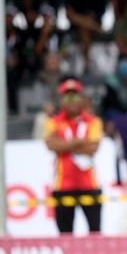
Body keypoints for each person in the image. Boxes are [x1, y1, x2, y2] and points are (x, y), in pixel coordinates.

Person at [43, 79, 104, 235]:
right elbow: (51, 145)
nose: (71, 102)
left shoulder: (93, 121)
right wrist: (79, 142)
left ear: (82, 99)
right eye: (67, 98)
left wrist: (64, 144)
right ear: (61, 101)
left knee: (95, 234)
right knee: (65, 236)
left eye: (75, 97)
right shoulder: (53, 122)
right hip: (63, 185)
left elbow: (92, 149)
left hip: (89, 185)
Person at [66, 0, 107, 72]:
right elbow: (70, 11)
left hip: (92, 20)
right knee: (81, 23)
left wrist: (93, 17)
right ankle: (96, 28)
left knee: (84, 29)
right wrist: (85, 19)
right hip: (79, 21)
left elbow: (103, 7)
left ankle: (87, 61)